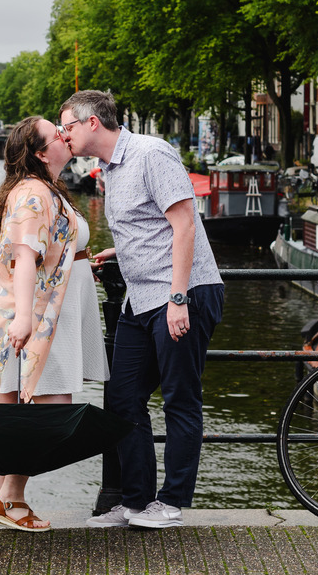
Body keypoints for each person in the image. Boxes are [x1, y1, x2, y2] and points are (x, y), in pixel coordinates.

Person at [59, 90, 224, 529]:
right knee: (122, 397)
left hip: (181, 294)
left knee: (180, 399)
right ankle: (135, 502)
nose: (63, 134)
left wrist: (178, 298)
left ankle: (170, 504)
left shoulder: (152, 154)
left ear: (92, 123)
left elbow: (185, 224)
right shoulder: (111, 168)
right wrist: (123, 249)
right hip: (140, 297)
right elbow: (151, 223)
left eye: (68, 126)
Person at [0, 116, 107, 532]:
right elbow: (23, 259)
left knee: (15, 415)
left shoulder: (47, 189)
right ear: (40, 152)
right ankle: (9, 498)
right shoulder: (35, 193)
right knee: (50, 411)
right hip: (35, 317)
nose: (64, 135)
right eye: (56, 133)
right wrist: (23, 318)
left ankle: (5, 502)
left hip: (48, 314)